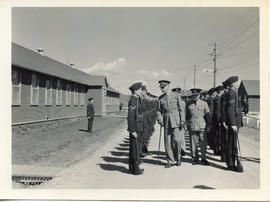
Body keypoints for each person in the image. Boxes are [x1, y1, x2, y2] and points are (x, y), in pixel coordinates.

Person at [156, 80, 186, 168]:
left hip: (176, 121)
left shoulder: (176, 95)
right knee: (167, 142)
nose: (162, 89)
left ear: (168, 86)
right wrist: (160, 120)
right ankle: (170, 160)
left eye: (163, 87)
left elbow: (181, 109)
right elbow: (158, 111)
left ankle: (178, 157)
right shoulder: (160, 98)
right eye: (161, 87)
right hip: (166, 122)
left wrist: (182, 120)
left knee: (177, 140)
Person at [186, 88, 211, 165]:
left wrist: (209, 125)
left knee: (203, 143)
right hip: (192, 125)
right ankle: (195, 158)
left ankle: (204, 158)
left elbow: (208, 115)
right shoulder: (188, 104)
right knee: (193, 143)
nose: (195, 97)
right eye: (193, 95)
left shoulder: (204, 104)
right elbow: (186, 116)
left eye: (196, 95)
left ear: (199, 95)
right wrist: (186, 124)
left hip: (202, 126)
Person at [224, 76, 243, 172]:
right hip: (234, 123)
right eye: (237, 82)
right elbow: (230, 109)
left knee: (232, 143)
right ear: (232, 84)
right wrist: (233, 123)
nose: (239, 83)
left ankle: (231, 163)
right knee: (231, 143)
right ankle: (230, 164)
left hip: (235, 122)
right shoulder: (231, 93)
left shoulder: (234, 92)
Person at [127, 82, 144, 175]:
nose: (141, 91)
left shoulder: (137, 99)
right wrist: (132, 130)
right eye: (140, 89)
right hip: (135, 128)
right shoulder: (133, 100)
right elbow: (130, 116)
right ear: (136, 91)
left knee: (133, 147)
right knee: (135, 148)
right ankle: (136, 170)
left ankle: (131, 168)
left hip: (137, 126)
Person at [213, 85, 225, 155]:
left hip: (217, 120)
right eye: (223, 91)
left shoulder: (217, 98)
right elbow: (217, 111)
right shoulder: (218, 98)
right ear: (220, 91)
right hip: (218, 120)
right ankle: (216, 150)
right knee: (217, 135)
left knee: (217, 135)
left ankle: (216, 149)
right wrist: (219, 121)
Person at [220, 80, 229, 162]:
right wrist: (223, 121)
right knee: (225, 140)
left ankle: (224, 157)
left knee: (225, 140)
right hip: (225, 121)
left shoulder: (225, 95)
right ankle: (224, 157)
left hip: (225, 120)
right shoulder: (225, 95)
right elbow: (222, 109)